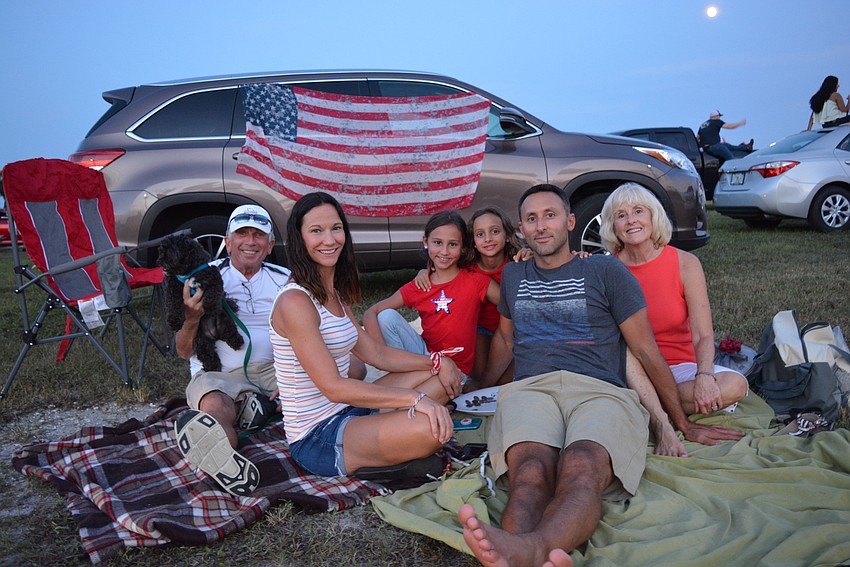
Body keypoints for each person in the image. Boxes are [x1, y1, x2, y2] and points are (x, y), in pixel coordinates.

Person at [457, 184, 743, 567]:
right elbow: (506, 340)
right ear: (521, 230)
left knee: (582, 467)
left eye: (550, 215)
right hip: (532, 390)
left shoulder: (605, 270)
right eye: (531, 219)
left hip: (600, 390)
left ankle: (532, 548)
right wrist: (481, 385)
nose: (541, 226)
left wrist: (678, 422)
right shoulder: (514, 276)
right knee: (529, 472)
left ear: (570, 221)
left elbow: (644, 349)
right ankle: (519, 553)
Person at [270, 192, 465, 479]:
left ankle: (392, 446)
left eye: (336, 228)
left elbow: (376, 354)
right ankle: (389, 455)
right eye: (316, 231)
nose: (329, 240)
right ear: (299, 239)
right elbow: (333, 387)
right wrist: (414, 399)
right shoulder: (294, 301)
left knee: (439, 380)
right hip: (318, 436)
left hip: (350, 409)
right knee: (432, 428)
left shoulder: (334, 293)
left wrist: (437, 361)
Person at [600, 182, 749, 422]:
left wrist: (705, 376)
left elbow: (703, 335)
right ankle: (652, 404)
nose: (631, 220)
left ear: (653, 216)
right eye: (621, 215)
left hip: (681, 369)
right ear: (612, 226)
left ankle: (645, 407)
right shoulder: (606, 270)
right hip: (635, 374)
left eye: (638, 211)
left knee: (735, 385)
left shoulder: (685, 263)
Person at [172, 204, 295, 495]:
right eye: (242, 234)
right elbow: (183, 351)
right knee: (215, 407)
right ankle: (225, 460)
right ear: (228, 242)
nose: (250, 241)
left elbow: (307, 334)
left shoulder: (286, 279)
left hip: (275, 370)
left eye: (258, 235)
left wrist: (295, 380)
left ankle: (256, 408)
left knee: (332, 380)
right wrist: (192, 319)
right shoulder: (202, 279)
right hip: (219, 374)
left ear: (270, 246)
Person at [362, 210, 500, 381]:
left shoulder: (475, 281)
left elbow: (511, 304)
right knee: (386, 316)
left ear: (463, 247)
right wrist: (381, 354)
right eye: (438, 243)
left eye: (452, 244)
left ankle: (407, 382)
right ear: (426, 242)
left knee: (410, 391)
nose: (444, 251)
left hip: (457, 369)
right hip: (425, 359)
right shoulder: (421, 284)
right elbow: (371, 312)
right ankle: (399, 374)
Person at [413, 207, 524, 384]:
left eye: (495, 231)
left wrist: (530, 256)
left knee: (505, 381)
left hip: (512, 330)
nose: (488, 238)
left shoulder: (518, 263)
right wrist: (422, 272)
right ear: (472, 242)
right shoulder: (467, 267)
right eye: (480, 234)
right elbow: (441, 269)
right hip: (478, 328)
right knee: (478, 377)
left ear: (508, 235)